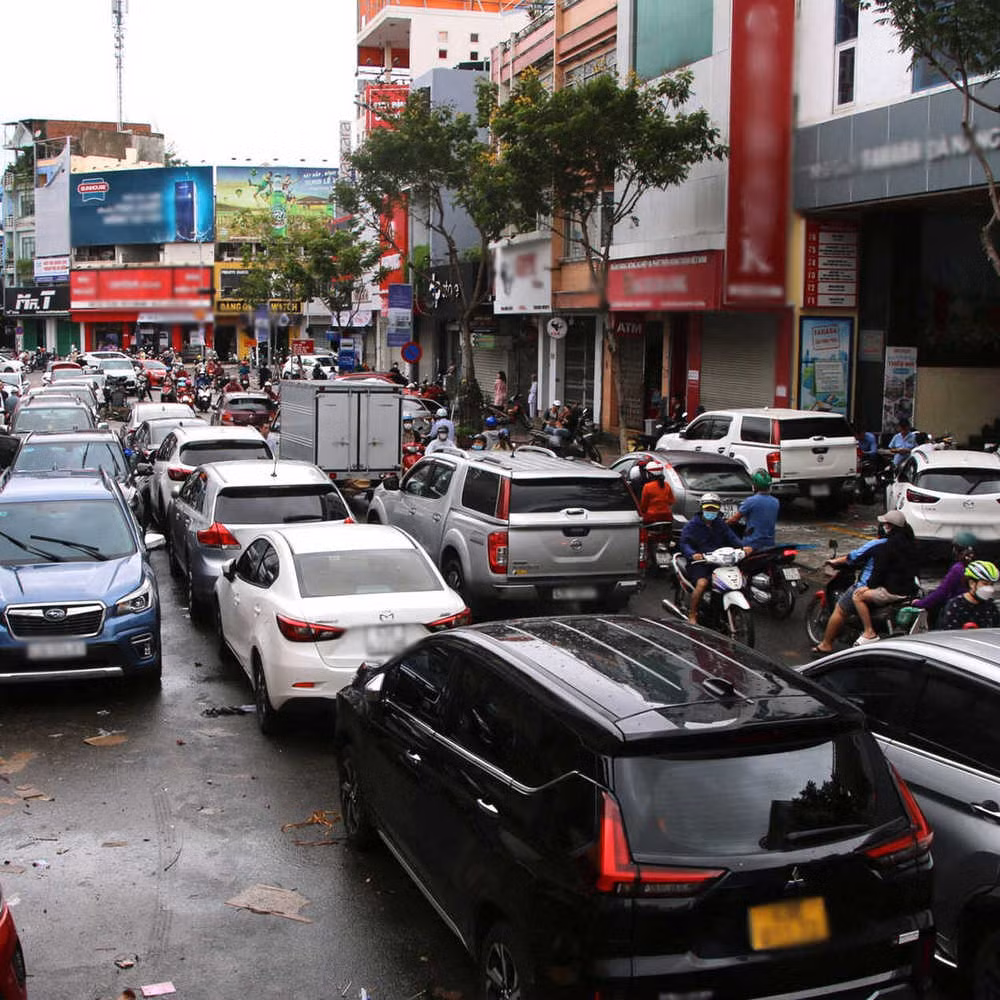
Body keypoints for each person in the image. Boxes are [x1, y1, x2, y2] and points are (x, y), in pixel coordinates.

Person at [850, 510, 918, 643]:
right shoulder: (911, 545)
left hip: (892, 592)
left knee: (857, 596)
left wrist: (868, 586)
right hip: (909, 589)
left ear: (889, 526)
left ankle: (869, 632)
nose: (884, 526)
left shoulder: (886, 546)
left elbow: (878, 572)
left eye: (886, 524)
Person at [679, 493, 745, 625]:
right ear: (702, 508)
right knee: (702, 584)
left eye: (714, 509)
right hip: (700, 562)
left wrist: (744, 547)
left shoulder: (720, 523)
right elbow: (684, 543)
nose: (711, 512)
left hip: (719, 561)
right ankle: (692, 614)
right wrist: (693, 554)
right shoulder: (692, 525)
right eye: (708, 509)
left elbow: (732, 537)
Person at [912, 531, 977, 626]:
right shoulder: (976, 566)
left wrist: (920, 603)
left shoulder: (958, 569)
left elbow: (942, 592)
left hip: (958, 613)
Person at [938, 560, 1000, 630]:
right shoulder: (955, 606)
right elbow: (947, 632)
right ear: (972, 583)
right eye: (985, 584)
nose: (989, 588)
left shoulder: (990, 606)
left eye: (991, 584)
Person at [729, 469, 779, 553]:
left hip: (752, 543)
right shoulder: (775, 501)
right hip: (770, 543)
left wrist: (724, 523)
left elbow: (734, 519)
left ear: (755, 486)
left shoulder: (751, 501)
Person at [638, 461, 675, 527]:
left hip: (652, 517)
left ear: (650, 474)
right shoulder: (667, 485)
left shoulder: (647, 486)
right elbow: (671, 501)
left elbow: (644, 506)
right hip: (667, 517)